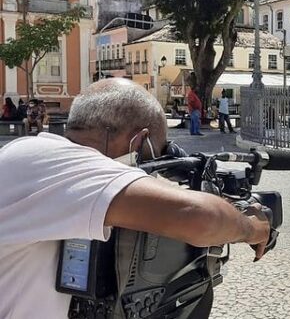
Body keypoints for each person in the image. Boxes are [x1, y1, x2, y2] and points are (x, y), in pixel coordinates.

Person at [0, 79, 270, 318]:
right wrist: (252, 227)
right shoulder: (58, 161)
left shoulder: (38, 160)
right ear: (140, 142)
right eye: (158, 154)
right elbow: (199, 217)